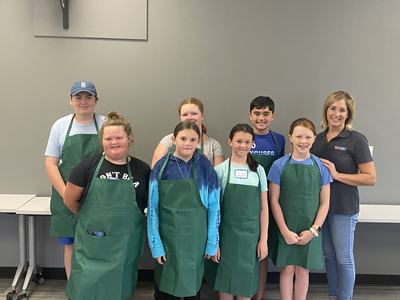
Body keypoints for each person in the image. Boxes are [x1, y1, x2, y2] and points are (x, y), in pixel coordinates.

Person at [63, 112, 150, 300]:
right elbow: (69, 200)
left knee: (118, 289)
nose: (114, 142)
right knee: (85, 287)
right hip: (92, 244)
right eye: (109, 138)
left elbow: (147, 205)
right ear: (101, 141)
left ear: (129, 139)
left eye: (119, 137)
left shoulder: (142, 170)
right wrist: (89, 217)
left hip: (124, 247)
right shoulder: (86, 167)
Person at [311, 91, 376, 300]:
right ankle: (333, 295)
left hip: (344, 208)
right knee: (329, 256)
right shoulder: (317, 139)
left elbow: (370, 178)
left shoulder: (356, 139)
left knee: (343, 258)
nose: (336, 114)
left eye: (342, 110)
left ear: (348, 114)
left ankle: (344, 297)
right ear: (326, 110)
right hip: (322, 209)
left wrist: (337, 175)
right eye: (332, 108)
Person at [147, 121, 220, 300]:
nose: (188, 143)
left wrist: (212, 241)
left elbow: (214, 207)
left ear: (198, 141)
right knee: (165, 287)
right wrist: (155, 245)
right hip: (167, 237)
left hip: (196, 239)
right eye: (183, 138)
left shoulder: (206, 168)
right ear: (174, 139)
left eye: (193, 139)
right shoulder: (161, 168)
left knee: (192, 287)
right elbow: (153, 209)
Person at [44, 80, 104, 278]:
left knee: (96, 243)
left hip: (98, 198)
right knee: (69, 244)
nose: (83, 101)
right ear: (71, 100)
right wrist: (66, 195)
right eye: (78, 97)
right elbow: (50, 163)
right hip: (65, 196)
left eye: (88, 97)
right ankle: (74, 288)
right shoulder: (60, 125)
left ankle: (93, 287)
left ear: (96, 100)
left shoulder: (105, 124)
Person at [268, 118, 331, 300]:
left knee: (303, 269)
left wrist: (313, 230)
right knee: (287, 268)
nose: (303, 141)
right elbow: (274, 201)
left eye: (307, 137)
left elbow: (325, 202)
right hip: (285, 226)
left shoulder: (321, 166)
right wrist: (284, 231)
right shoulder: (279, 165)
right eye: (298, 136)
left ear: (314, 139)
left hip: (310, 228)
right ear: (290, 138)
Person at [205, 124, 269, 300]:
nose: (243, 145)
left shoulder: (259, 171)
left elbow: (264, 208)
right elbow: (213, 209)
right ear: (230, 142)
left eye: (247, 142)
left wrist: (263, 240)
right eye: (239, 141)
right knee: (225, 285)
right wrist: (214, 242)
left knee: (244, 287)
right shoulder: (220, 171)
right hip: (226, 238)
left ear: (252, 144)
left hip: (250, 240)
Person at [248, 96, 285, 300]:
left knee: (263, 249)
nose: (261, 118)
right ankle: (245, 291)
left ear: (273, 116)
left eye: (266, 114)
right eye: (257, 113)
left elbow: (280, 170)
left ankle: (259, 296)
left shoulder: (278, 140)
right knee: (247, 249)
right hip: (245, 200)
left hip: (270, 202)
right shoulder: (244, 136)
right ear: (250, 115)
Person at [151, 97, 224, 167]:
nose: (189, 117)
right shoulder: (168, 140)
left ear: (202, 116)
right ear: (180, 117)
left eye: (194, 114)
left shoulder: (214, 146)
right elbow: (155, 170)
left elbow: (217, 176)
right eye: (185, 114)